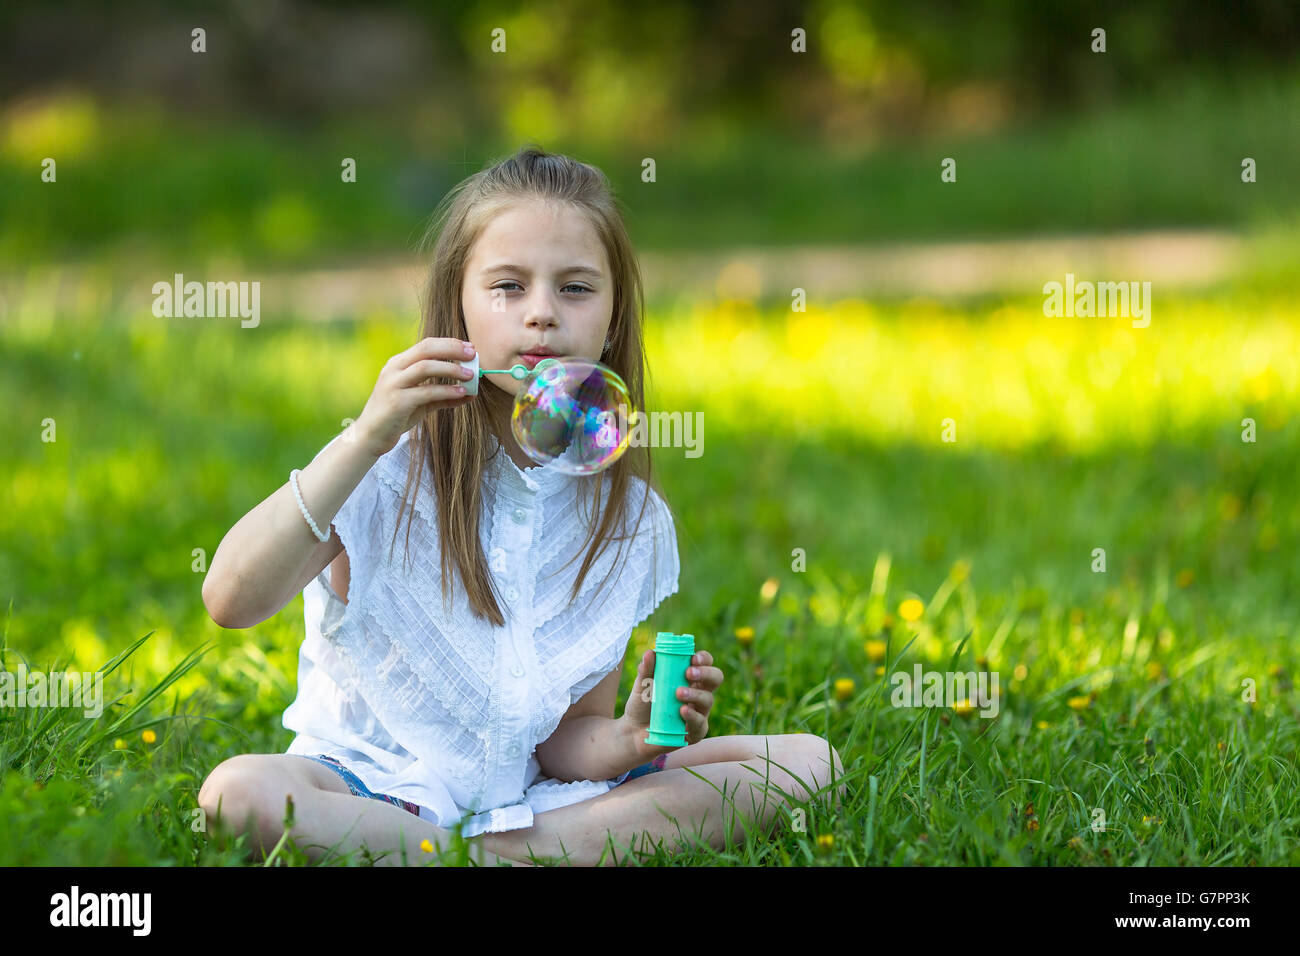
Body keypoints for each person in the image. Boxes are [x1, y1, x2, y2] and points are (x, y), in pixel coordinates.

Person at [198, 145, 845, 866]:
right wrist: (366, 435)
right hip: (367, 786)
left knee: (807, 764)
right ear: (458, 305)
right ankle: (494, 855)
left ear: (612, 316)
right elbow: (230, 598)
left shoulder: (622, 516)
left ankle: (473, 855)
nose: (541, 315)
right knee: (238, 795)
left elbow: (567, 739)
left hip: (532, 799)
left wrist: (630, 737)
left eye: (575, 289)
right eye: (508, 286)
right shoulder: (384, 468)